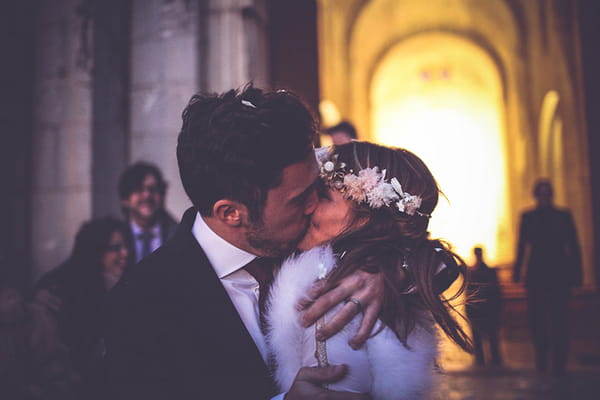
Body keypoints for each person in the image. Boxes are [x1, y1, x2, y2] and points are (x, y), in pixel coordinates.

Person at [103, 85, 385, 400]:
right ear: (231, 213)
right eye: (299, 199)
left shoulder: (314, 235)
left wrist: (385, 267)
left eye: (316, 185)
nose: (315, 205)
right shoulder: (141, 305)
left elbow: (437, 263)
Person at [266, 141, 473, 399]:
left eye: (323, 196)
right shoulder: (370, 275)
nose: (308, 206)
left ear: (367, 216)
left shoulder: (336, 290)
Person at [29, 217, 133, 399]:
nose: (125, 253)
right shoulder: (61, 289)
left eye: (126, 246)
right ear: (96, 251)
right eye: (115, 248)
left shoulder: (123, 285)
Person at [513, 179, 582, 376]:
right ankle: (542, 360)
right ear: (537, 195)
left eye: (546, 193)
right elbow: (521, 245)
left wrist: (577, 275)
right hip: (537, 272)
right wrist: (518, 271)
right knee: (537, 320)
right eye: (541, 193)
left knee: (560, 319)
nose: (544, 197)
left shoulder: (563, 216)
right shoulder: (529, 217)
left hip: (559, 271)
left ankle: (559, 363)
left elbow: (574, 246)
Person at [118, 162, 178, 262]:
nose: (147, 195)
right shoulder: (115, 240)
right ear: (125, 199)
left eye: (152, 189)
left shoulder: (179, 235)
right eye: (138, 189)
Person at [466, 246, 502, 367]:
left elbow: (469, 293)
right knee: (491, 337)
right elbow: (496, 290)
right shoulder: (488, 271)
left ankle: (482, 360)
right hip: (487, 307)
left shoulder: (472, 272)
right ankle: (493, 360)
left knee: (484, 337)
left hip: (481, 307)